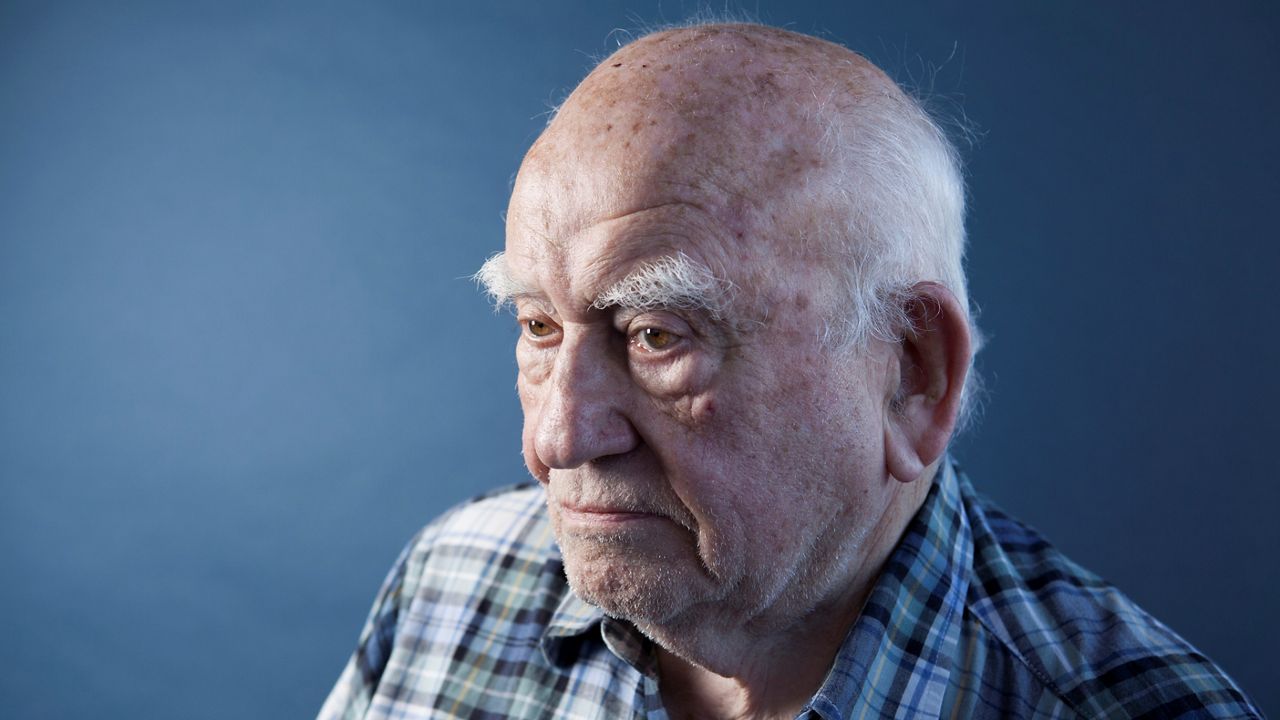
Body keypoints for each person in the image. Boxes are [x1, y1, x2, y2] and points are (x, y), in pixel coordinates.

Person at [319, 22, 1260, 720]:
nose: (556, 436)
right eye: (536, 324)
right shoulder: (450, 582)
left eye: (655, 335)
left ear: (913, 373)